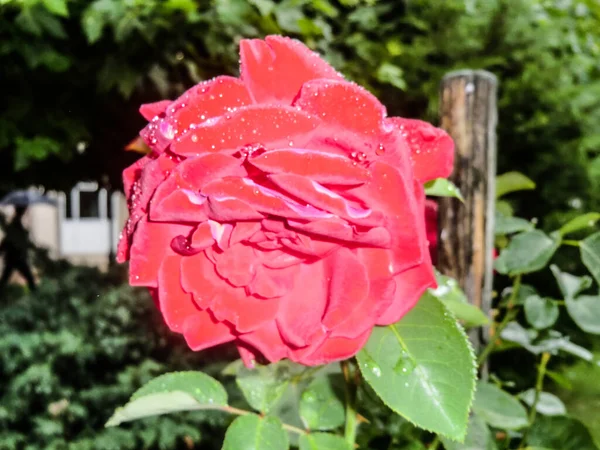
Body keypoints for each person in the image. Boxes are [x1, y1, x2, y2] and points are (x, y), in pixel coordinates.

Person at [0, 206, 36, 292]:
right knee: (29, 278)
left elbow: (8, 240)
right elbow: (11, 240)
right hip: (16, 256)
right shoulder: (16, 223)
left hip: (14, 256)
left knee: (6, 278)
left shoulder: (15, 223)